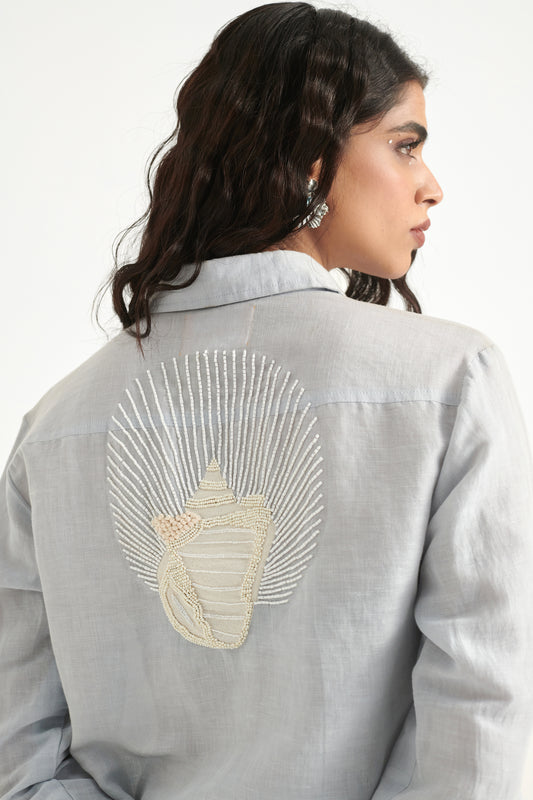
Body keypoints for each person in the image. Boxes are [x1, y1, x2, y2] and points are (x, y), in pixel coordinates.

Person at [1, 3, 532, 798]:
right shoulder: (449, 382)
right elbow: (476, 722)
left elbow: (21, 752)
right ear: (313, 158)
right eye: (404, 145)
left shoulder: (58, 426)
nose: (431, 186)